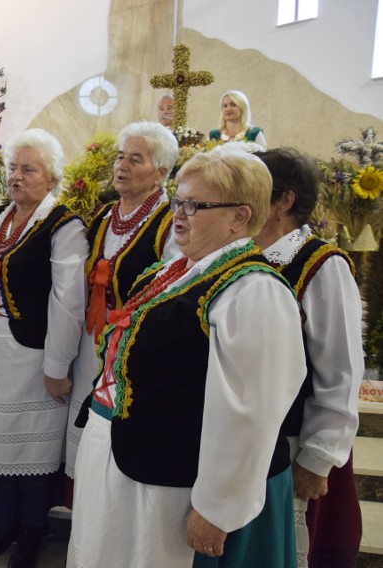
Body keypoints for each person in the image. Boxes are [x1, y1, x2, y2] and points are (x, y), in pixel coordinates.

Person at [68, 148, 306, 568]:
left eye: (196, 205)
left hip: (167, 482)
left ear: (240, 216)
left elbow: (252, 413)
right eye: (178, 201)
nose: (179, 213)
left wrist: (218, 509)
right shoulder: (178, 269)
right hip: (124, 459)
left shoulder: (253, 290)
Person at [0, 128, 88, 568]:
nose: (16, 176)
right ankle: (5, 525)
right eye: (12, 168)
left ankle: (32, 531)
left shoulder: (65, 224)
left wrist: (57, 365)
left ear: (52, 177)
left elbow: (69, 301)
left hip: (36, 353)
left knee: (32, 448)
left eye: (28, 169)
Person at [254, 148, 364, 568]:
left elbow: (341, 371)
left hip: (296, 438)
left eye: (254, 189)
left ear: (284, 201)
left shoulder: (321, 265)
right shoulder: (241, 256)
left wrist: (318, 459)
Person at [65, 121, 179, 494]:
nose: (121, 165)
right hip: (88, 345)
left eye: (135, 159)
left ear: (161, 172)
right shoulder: (102, 217)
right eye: (119, 156)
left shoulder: (172, 224)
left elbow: (171, 293)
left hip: (132, 354)